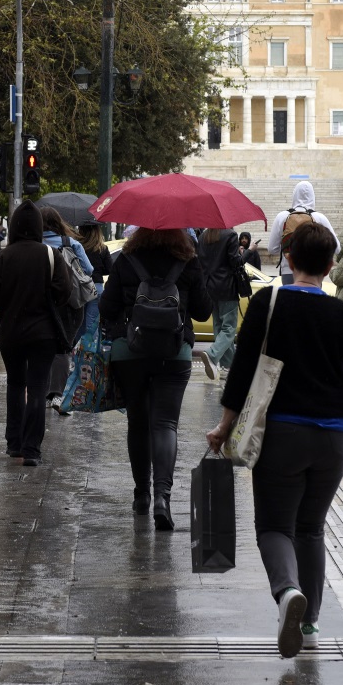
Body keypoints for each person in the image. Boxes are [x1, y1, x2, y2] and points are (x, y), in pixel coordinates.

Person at [206, 223, 343, 659]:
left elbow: (241, 373)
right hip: (334, 438)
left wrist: (223, 425)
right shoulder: (341, 315)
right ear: (331, 266)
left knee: (274, 526)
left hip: (282, 434)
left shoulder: (266, 304)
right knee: (310, 528)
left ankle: (288, 592)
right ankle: (309, 621)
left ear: (287, 260)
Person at [100, 227, 211, 530]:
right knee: (165, 424)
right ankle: (163, 496)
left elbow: (106, 307)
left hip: (129, 350)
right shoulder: (188, 260)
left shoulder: (126, 259)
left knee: (138, 422)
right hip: (174, 353)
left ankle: (141, 496)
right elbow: (202, 312)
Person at [0, 201, 73, 466]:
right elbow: (63, 291)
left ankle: (14, 443)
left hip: (10, 331)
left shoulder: (1, 257)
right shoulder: (50, 255)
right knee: (37, 387)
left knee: (15, 383)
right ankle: (31, 449)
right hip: (43, 332)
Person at [41, 208, 95, 415]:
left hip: (43, 303)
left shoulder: (36, 244)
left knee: (44, 345)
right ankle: (57, 394)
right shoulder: (71, 244)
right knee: (63, 347)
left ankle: (43, 391)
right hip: (70, 304)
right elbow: (88, 270)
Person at [269, 182, 338, 285]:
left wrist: (287, 249)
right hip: (314, 271)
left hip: (288, 271)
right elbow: (337, 248)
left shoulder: (282, 216)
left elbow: (272, 249)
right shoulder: (319, 218)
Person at [196, 227, 243, 380]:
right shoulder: (230, 235)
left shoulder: (204, 236)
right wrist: (244, 254)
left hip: (209, 287)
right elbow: (235, 262)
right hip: (226, 287)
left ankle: (226, 367)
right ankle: (212, 354)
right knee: (229, 327)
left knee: (218, 326)